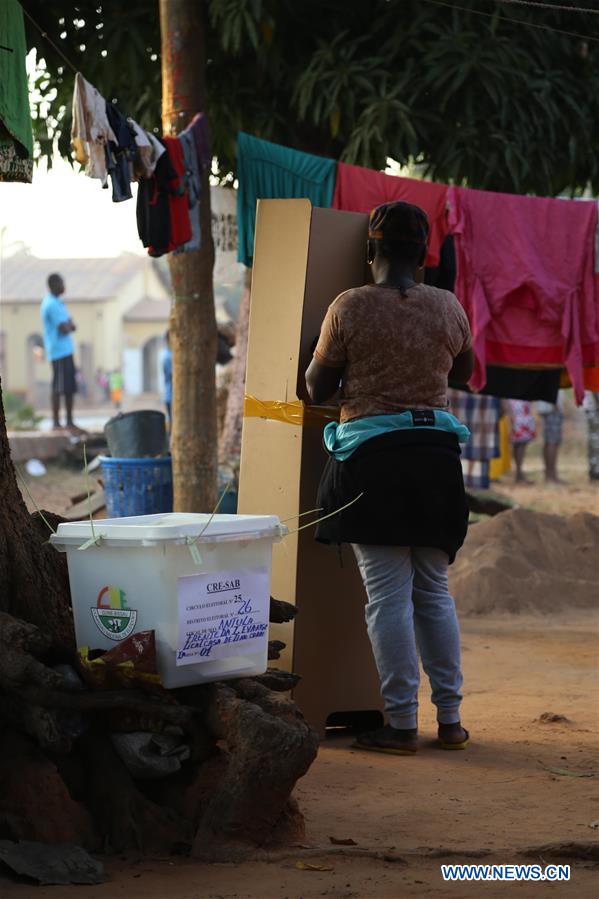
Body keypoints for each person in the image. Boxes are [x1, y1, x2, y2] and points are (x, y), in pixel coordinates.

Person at [305, 201, 473, 755]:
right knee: (434, 591)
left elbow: (316, 388)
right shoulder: (447, 306)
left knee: (387, 598)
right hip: (437, 460)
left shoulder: (349, 306)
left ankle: (401, 724)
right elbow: (464, 371)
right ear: (423, 257)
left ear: (370, 251)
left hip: (373, 464)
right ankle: (450, 720)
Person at [40, 273, 79, 432]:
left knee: (69, 387)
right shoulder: (50, 304)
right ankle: (56, 423)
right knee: (58, 387)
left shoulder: (59, 302)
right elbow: (64, 327)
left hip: (66, 350)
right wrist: (69, 325)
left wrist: (70, 325)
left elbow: (71, 324)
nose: (64, 286)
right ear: (54, 285)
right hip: (58, 352)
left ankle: (69, 421)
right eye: (62, 283)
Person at [507, 399, 536, 484]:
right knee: (520, 444)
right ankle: (519, 474)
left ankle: (519, 473)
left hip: (522, 414)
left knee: (520, 445)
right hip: (518, 415)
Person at [537, 396, 564, 484]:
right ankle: (551, 476)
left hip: (548, 407)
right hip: (552, 409)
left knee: (549, 442)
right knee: (552, 442)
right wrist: (555, 405)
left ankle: (550, 474)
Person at [162, 330, 173, 424]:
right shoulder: (167, 356)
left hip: (170, 396)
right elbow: (171, 375)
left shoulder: (170, 354)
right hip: (171, 396)